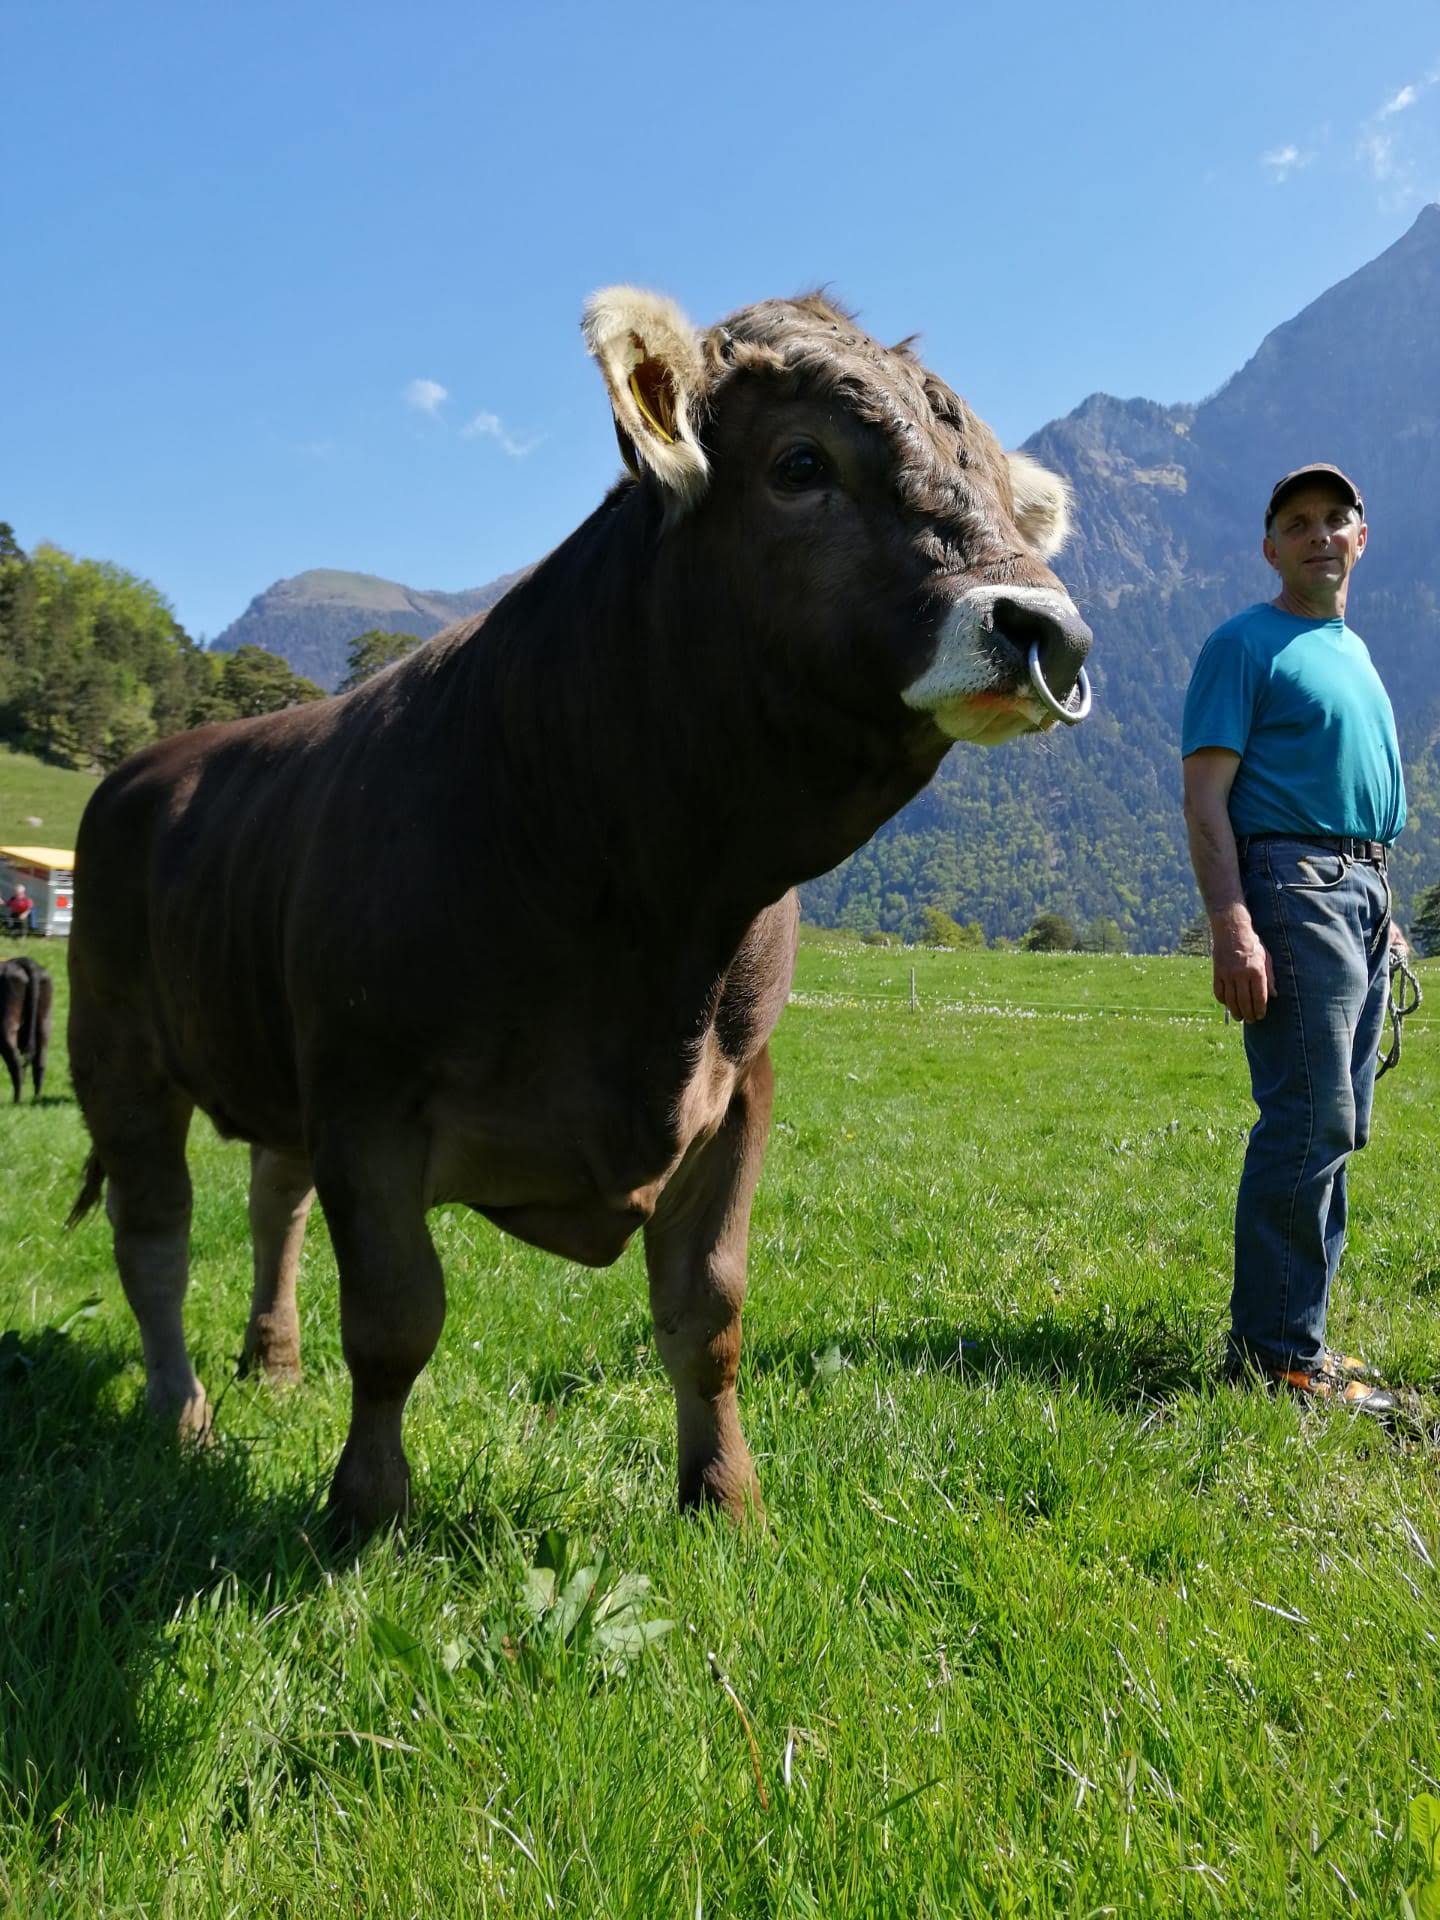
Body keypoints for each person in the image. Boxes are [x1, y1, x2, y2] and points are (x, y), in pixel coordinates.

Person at [1181, 462, 1405, 1416]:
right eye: (1298, 523)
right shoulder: (1245, 644)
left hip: (1362, 888)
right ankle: (1274, 1359)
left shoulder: (1350, 650)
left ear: (1362, 538)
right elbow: (1204, 799)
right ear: (1270, 548)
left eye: (1335, 520)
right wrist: (1232, 921)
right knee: (1308, 1117)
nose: (1319, 535)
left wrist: (1387, 918)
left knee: (1339, 1125)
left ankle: (1299, 1338)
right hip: (1291, 886)